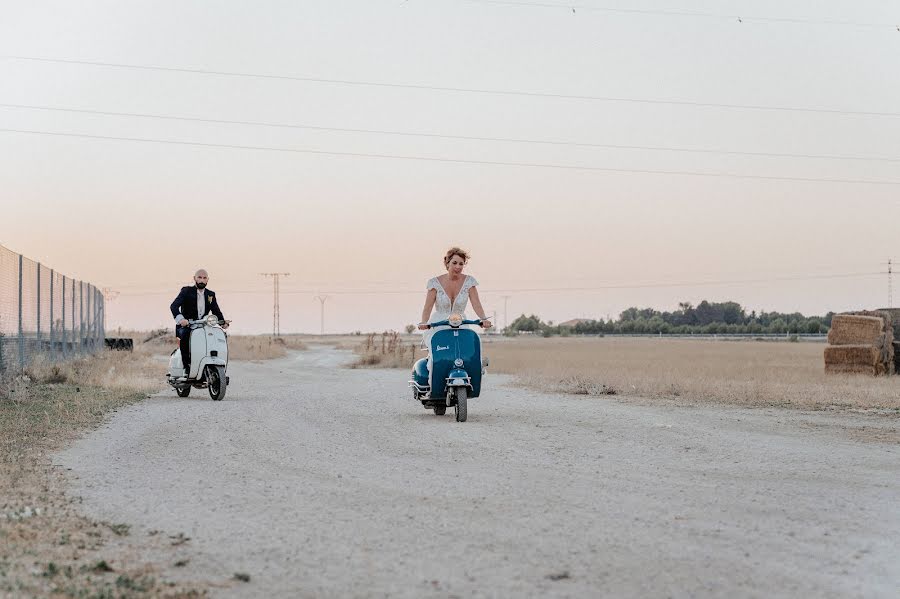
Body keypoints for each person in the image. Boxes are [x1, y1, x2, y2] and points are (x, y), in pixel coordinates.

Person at [418, 247, 492, 385]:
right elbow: (427, 307)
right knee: (438, 355)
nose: (458, 267)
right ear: (447, 263)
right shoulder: (435, 282)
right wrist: (424, 322)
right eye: (454, 263)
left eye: (461, 264)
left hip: (460, 321)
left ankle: (473, 372)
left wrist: (483, 319)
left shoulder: (469, 282)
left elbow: (476, 303)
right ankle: (434, 382)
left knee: (467, 350)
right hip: (439, 323)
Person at [170, 269, 227, 377]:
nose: (202, 280)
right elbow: (174, 306)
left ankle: (214, 361)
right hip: (187, 325)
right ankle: (187, 367)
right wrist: (181, 319)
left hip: (203, 325)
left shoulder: (211, 294)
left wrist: (222, 322)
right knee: (186, 336)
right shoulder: (186, 291)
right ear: (194, 278)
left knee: (218, 335)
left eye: (204, 278)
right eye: (199, 277)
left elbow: (216, 311)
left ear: (208, 280)